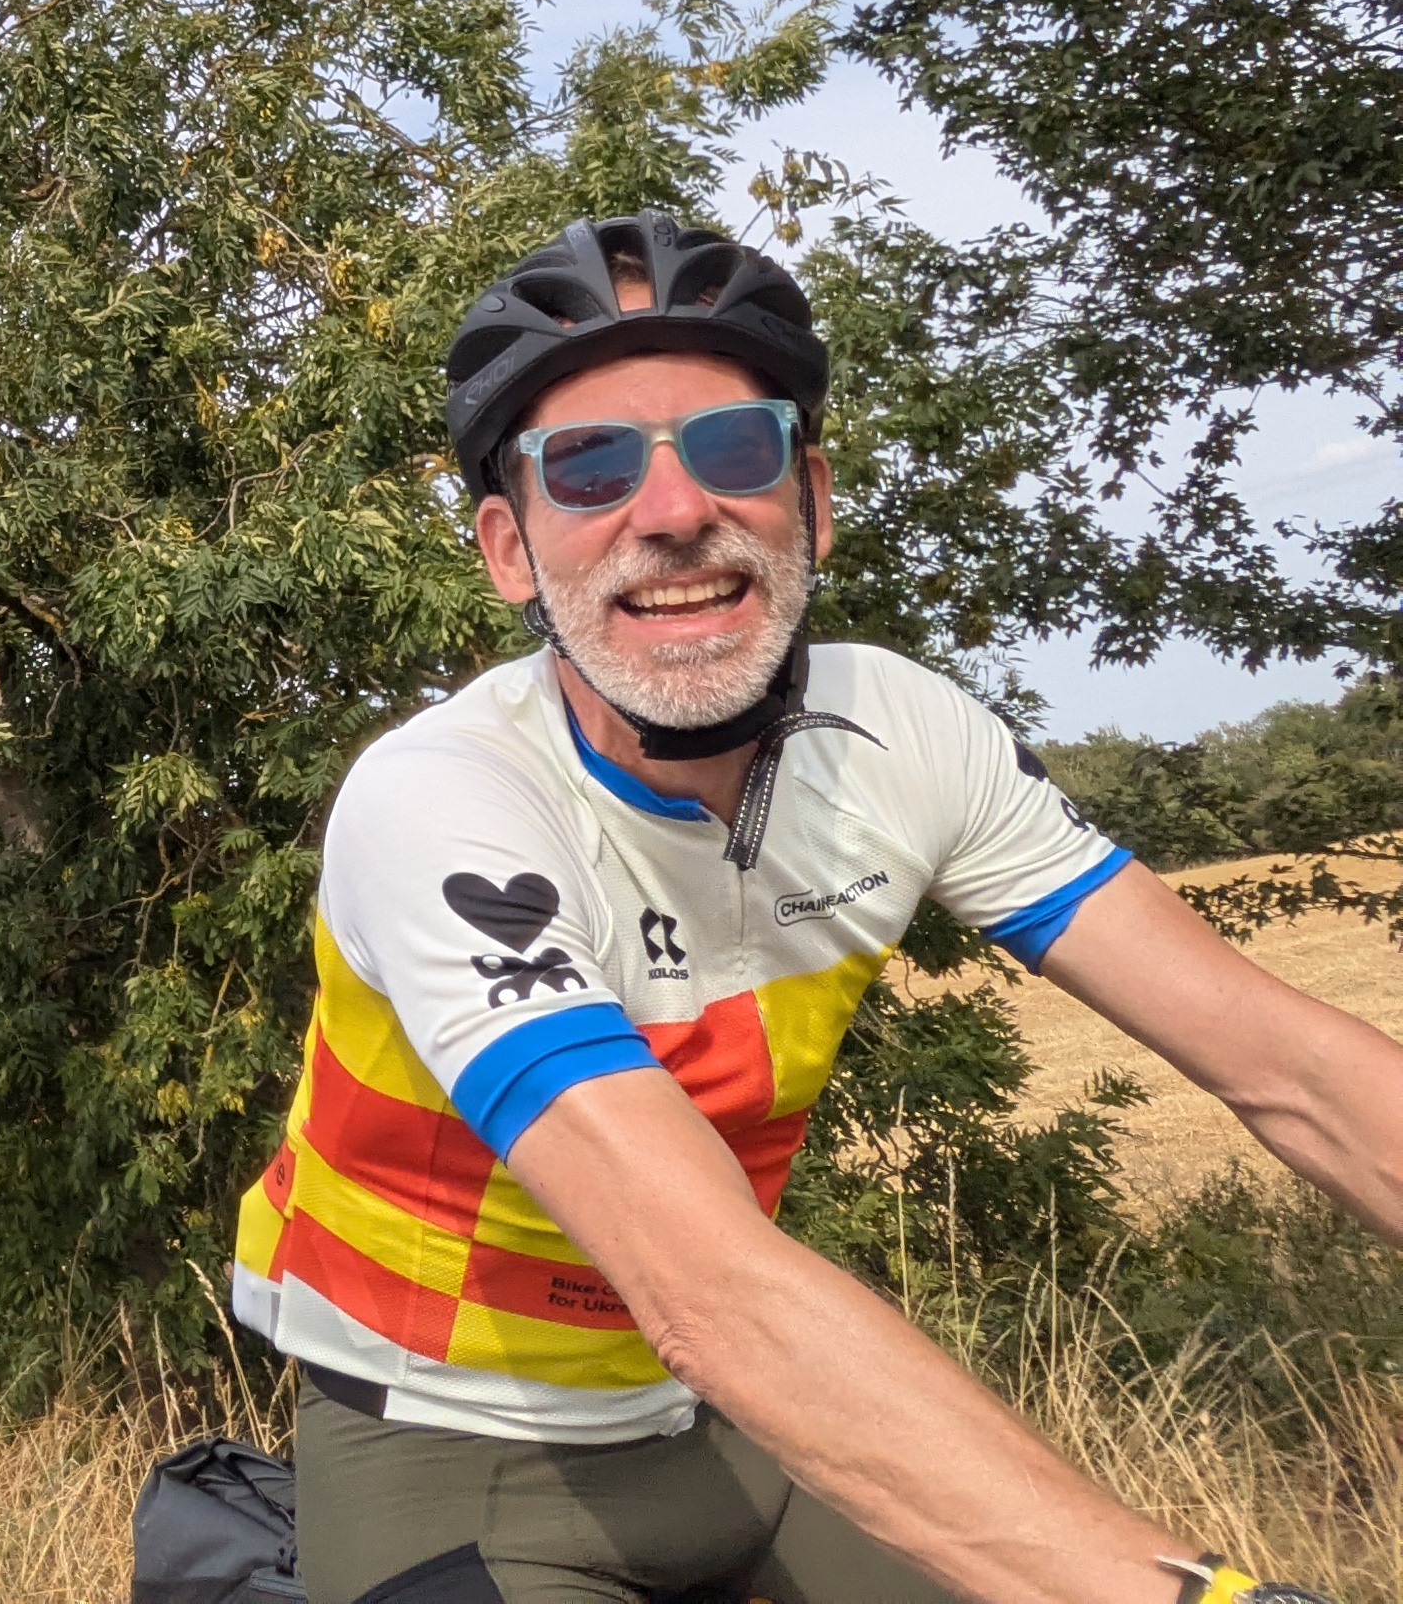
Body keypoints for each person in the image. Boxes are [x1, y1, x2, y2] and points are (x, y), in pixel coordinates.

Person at [231, 212, 1398, 1604]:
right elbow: (704, 1283)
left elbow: (1295, 1069)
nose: (674, 512)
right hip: (448, 1443)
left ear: (814, 500)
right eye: (590, 466)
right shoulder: (443, 796)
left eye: (734, 449)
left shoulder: (902, 733)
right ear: (509, 549)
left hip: (742, 1427)